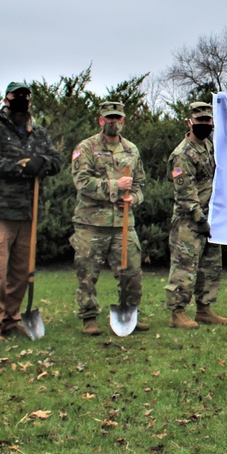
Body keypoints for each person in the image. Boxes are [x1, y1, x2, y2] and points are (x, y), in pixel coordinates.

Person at [0, 81, 62, 344]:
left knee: (22, 272)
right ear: (6, 99)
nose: (22, 100)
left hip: (28, 212)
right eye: (17, 96)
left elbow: (56, 161)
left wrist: (42, 163)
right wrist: (22, 166)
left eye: (26, 96)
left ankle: (10, 319)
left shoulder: (38, 132)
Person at [70, 101, 149, 335]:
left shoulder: (132, 150)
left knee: (132, 272)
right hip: (91, 223)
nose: (113, 122)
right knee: (87, 273)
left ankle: (129, 313)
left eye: (117, 118)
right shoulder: (86, 148)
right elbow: (82, 182)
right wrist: (115, 185)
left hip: (123, 223)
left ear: (123, 120)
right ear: (100, 121)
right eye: (109, 118)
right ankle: (89, 318)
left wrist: (134, 197)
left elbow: (141, 184)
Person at [165, 101, 227, 329]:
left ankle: (204, 309)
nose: (204, 124)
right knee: (185, 267)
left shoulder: (210, 147)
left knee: (210, 267)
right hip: (189, 221)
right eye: (200, 120)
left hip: (211, 218)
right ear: (189, 122)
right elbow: (185, 192)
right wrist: (199, 218)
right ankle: (177, 312)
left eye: (208, 120)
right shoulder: (182, 154)